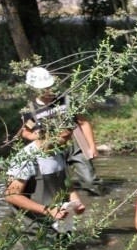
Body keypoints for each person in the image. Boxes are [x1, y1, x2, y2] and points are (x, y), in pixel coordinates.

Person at [4, 104, 86, 239]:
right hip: (34, 229)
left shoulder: (58, 152)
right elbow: (11, 195)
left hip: (59, 222)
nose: (69, 140)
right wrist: (48, 211)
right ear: (48, 133)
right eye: (65, 137)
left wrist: (76, 201)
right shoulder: (26, 158)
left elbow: (65, 182)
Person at [21, 67, 103, 196]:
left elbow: (83, 123)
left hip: (76, 142)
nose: (47, 90)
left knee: (90, 181)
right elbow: (26, 132)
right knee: (60, 186)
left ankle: (98, 200)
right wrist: (35, 136)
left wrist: (92, 147)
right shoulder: (31, 110)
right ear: (34, 89)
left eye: (49, 86)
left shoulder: (66, 100)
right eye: (43, 88)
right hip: (51, 146)